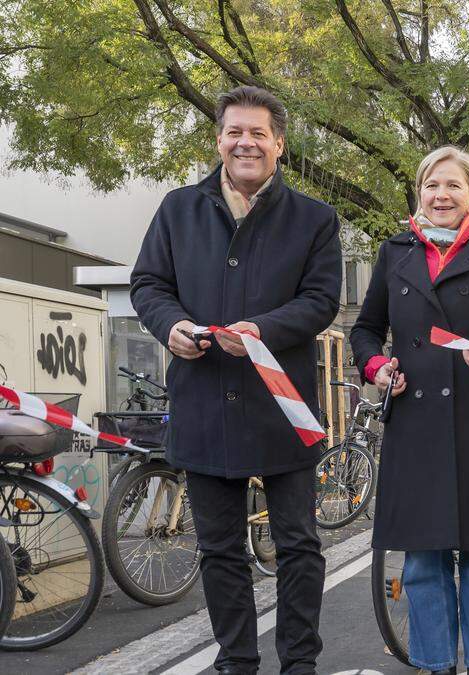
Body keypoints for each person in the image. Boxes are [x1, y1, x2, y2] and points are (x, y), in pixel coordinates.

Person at [131, 86, 342, 674]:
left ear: (278, 143)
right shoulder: (178, 208)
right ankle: (236, 662)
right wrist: (169, 325)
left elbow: (322, 298)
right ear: (218, 139)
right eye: (234, 132)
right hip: (203, 402)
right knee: (218, 548)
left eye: (258, 133)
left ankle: (299, 662)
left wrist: (262, 330)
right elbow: (148, 284)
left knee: (298, 543)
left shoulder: (315, 219)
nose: (245, 142)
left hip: (283, 405)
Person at [350, 146, 469, 675]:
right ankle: (435, 665)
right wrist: (376, 365)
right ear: (419, 193)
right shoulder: (395, 251)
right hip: (414, 421)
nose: (441, 195)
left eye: (453, 186)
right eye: (432, 185)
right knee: (423, 560)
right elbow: (365, 330)